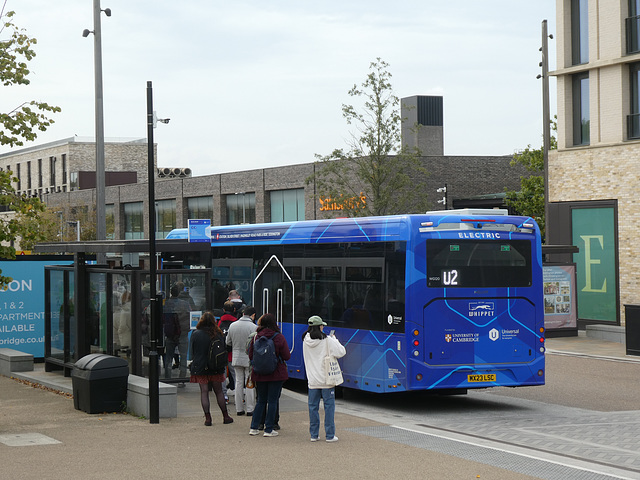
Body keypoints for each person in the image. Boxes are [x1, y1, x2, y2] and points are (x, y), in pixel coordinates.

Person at [302, 315, 346, 443]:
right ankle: (330, 435)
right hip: (327, 379)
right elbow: (341, 352)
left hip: (313, 380)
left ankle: (314, 434)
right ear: (320, 326)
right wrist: (335, 340)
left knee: (313, 407)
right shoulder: (327, 340)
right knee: (329, 407)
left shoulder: (305, 339)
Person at [248, 313, 290, 437]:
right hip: (276, 373)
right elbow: (287, 356)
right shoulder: (279, 337)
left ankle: (254, 427)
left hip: (259, 373)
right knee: (272, 401)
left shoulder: (256, 337)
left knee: (260, 400)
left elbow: (251, 356)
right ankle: (269, 429)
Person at [189, 311, 234, 426]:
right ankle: (225, 416)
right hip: (215, 366)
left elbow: (193, 351)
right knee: (218, 391)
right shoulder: (217, 333)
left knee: (204, 392)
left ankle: (208, 418)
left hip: (200, 366)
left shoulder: (196, 333)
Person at [226, 306, 257, 416]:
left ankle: (239, 408)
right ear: (252, 315)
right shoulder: (253, 327)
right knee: (249, 383)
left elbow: (228, 342)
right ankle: (250, 408)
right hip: (248, 358)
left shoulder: (233, 325)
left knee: (238, 382)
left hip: (236, 357)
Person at [163, 284, 191, 383]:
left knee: (169, 358)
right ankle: (182, 380)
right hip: (182, 334)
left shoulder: (166, 303)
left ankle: (167, 378)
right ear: (179, 293)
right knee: (183, 357)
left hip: (170, 334)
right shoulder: (185, 304)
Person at [218, 301, 238, 400]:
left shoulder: (220, 322)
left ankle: (224, 396)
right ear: (234, 310)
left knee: (223, 375)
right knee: (236, 375)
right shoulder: (236, 322)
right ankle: (239, 396)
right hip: (233, 353)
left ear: (224, 310)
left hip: (222, 352)